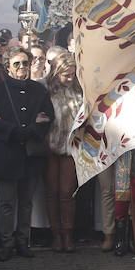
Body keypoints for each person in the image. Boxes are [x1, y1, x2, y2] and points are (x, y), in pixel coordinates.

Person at [0, 47, 54, 262]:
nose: (22, 67)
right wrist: (15, 131)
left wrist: (32, 130)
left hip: (30, 154)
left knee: (26, 202)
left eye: (25, 63)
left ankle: (23, 241)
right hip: (6, 153)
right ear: (7, 67)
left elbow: (48, 117)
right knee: (6, 202)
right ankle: (7, 242)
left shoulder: (39, 90)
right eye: (17, 64)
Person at [44, 53, 81, 252]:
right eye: (66, 75)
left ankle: (67, 234)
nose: (69, 79)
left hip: (70, 148)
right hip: (49, 146)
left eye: (72, 75)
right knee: (52, 192)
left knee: (67, 192)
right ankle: (55, 234)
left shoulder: (79, 91)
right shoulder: (46, 90)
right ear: (56, 73)